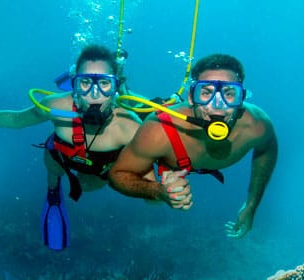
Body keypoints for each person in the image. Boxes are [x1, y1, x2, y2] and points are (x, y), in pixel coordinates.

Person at [0, 44, 142, 250]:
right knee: (53, 161)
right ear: (75, 84)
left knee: (87, 187)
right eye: (85, 82)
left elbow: (155, 162)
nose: (94, 95)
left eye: (104, 84)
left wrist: (163, 191)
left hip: (100, 169)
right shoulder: (56, 106)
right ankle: (53, 193)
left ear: (115, 87)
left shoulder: (129, 125)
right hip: (63, 155)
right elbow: (16, 120)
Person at [107, 53, 278, 239]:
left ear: (241, 99)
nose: (217, 106)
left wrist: (252, 204)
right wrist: (157, 191)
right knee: (149, 199)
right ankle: (123, 88)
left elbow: (268, 148)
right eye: (206, 92)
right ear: (191, 96)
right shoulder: (158, 129)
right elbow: (116, 175)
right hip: (164, 142)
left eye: (229, 93)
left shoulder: (257, 125)